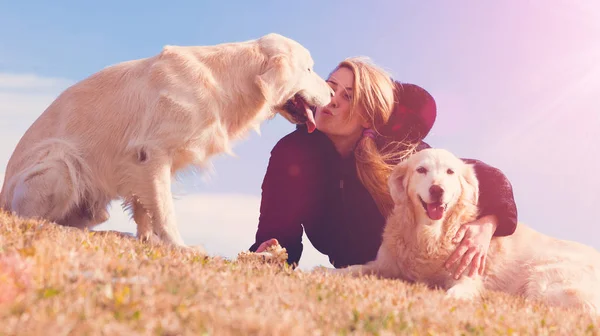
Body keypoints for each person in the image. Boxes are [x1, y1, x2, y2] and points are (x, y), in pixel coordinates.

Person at [249, 57, 517, 279]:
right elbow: (278, 232)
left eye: (348, 97)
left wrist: (487, 225)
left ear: (366, 113)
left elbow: (487, 177)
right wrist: (271, 251)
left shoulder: (397, 150)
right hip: (355, 273)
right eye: (330, 88)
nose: (332, 100)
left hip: (412, 270)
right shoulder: (292, 153)